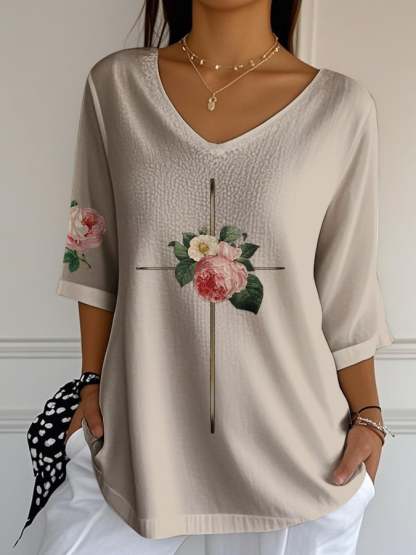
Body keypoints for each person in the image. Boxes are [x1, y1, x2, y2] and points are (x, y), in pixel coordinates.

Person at [32, 1, 395, 553]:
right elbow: (94, 253)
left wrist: (368, 416)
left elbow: (347, 287)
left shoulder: (340, 109)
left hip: (303, 453)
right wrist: (91, 381)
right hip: (137, 436)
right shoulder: (116, 89)